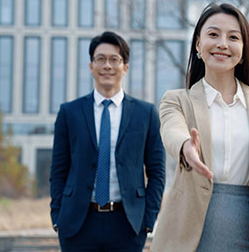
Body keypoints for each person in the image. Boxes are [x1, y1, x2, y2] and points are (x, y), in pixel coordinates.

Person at [150, 3, 249, 252]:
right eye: (213, 35)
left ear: (244, 50)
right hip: (188, 234)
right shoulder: (176, 100)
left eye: (233, 37)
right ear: (197, 44)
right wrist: (185, 147)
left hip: (248, 231)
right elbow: (172, 130)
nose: (223, 44)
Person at [50, 31, 166, 252]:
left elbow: (157, 171)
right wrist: (57, 216)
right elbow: (58, 170)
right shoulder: (69, 113)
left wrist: (148, 220)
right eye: (100, 59)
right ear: (91, 66)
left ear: (125, 67)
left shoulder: (146, 114)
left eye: (114, 59)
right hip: (78, 224)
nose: (107, 66)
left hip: (128, 224)